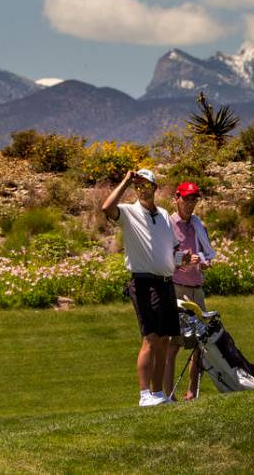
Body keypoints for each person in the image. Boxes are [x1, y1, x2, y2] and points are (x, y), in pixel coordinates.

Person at [101, 168, 183, 407]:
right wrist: (126, 181)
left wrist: (182, 261)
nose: (143, 189)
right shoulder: (128, 212)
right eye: (139, 186)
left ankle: (158, 394)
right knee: (151, 338)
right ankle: (144, 394)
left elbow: (170, 249)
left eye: (147, 185)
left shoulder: (165, 215)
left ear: (155, 189)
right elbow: (106, 208)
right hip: (145, 283)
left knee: (165, 340)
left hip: (167, 283)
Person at [163, 181, 216, 401]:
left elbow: (207, 254)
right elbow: (163, 258)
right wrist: (184, 259)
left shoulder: (198, 225)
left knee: (199, 344)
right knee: (173, 343)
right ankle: (168, 394)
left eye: (194, 199)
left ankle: (191, 391)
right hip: (177, 288)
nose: (190, 203)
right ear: (177, 198)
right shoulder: (167, 225)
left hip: (197, 288)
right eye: (186, 198)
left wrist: (204, 262)